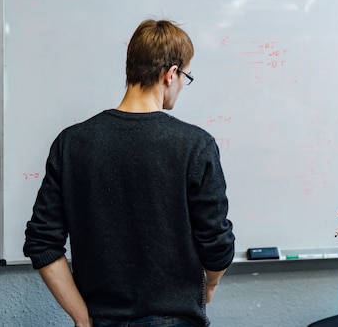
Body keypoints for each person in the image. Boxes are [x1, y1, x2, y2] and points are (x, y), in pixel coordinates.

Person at [23, 19, 235, 327]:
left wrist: (82, 319)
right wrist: (210, 285)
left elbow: (41, 243)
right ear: (171, 74)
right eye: (186, 76)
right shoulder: (195, 145)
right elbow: (217, 246)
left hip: (102, 319)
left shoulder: (72, 143)